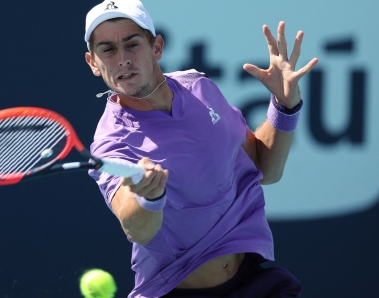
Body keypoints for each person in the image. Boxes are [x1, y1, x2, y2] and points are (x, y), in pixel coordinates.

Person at [84, 0, 318, 297]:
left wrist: (284, 107)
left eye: (132, 45)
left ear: (156, 47)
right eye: (107, 50)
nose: (122, 60)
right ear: (93, 62)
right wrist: (150, 197)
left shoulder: (199, 86)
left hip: (253, 282)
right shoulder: (110, 143)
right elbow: (137, 229)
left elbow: (263, 166)